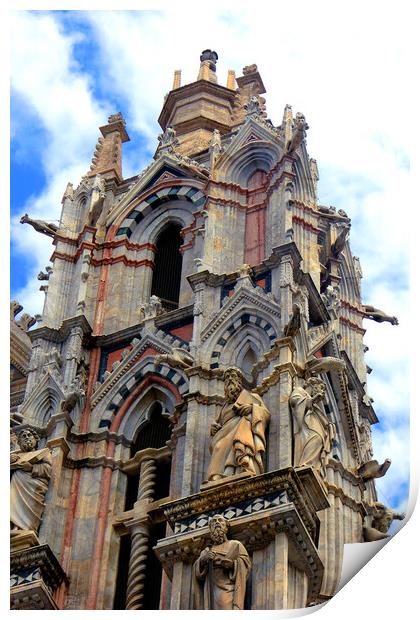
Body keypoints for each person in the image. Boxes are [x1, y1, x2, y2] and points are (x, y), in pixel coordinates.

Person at [206, 367, 270, 482]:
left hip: (240, 429)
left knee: (240, 435)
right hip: (223, 433)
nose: (230, 379)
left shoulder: (252, 397)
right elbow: (218, 423)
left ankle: (244, 466)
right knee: (218, 446)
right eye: (227, 378)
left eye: (233, 377)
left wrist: (252, 408)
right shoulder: (224, 406)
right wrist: (214, 428)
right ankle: (217, 476)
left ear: (240, 381)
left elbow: (265, 414)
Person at [193, 515, 251, 610]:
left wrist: (233, 565)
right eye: (214, 522)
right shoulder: (206, 551)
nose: (217, 523)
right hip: (210, 589)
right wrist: (203, 560)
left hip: (228, 589)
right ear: (211, 528)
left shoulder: (235, 545)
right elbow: (197, 571)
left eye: (220, 520)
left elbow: (246, 565)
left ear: (226, 527)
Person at [289, 377, 335, 477]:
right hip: (306, 424)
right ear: (313, 385)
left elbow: (321, 417)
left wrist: (329, 426)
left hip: (313, 424)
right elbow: (294, 400)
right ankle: (305, 463)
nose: (321, 391)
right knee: (316, 438)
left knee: (319, 440)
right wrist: (312, 400)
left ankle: (312, 466)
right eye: (320, 388)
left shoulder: (315, 403)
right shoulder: (300, 390)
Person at [10, 428, 52, 534]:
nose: (27, 437)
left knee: (29, 511)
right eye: (23, 437)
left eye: (29, 435)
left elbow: (48, 470)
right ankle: (13, 527)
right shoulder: (15, 457)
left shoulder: (43, 453)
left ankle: (25, 528)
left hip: (33, 487)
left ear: (36, 440)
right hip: (16, 485)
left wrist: (31, 468)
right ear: (19, 443)